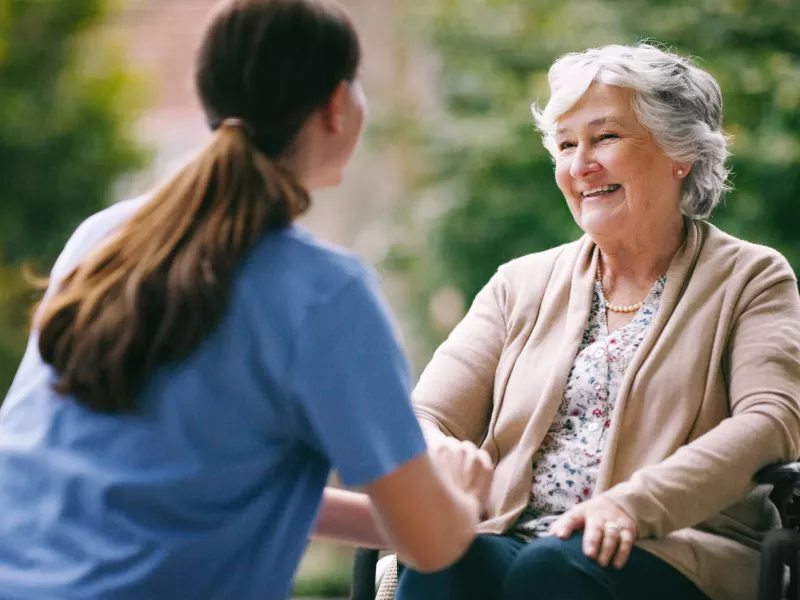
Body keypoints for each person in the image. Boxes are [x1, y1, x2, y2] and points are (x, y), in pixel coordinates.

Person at [0, 1, 493, 599]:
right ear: (336, 106)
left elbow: (196, 486)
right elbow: (434, 545)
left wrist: (398, 516)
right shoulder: (325, 294)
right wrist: (461, 500)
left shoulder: (104, 237)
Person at [395, 43, 800, 600]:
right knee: (444, 563)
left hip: (676, 548)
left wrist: (634, 505)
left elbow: (772, 421)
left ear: (679, 152)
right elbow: (424, 415)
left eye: (604, 137)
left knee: (552, 571)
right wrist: (441, 455)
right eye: (566, 145)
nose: (579, 165)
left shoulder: (751, 278)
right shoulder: (519, 284)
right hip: (517, 537)